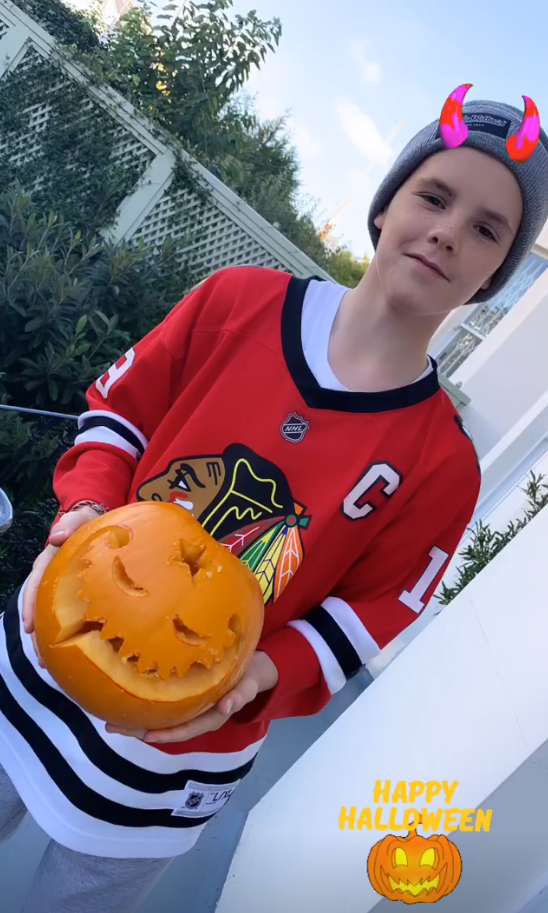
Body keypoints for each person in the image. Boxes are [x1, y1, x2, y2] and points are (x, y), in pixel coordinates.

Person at [1, 93, 548, 913]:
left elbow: (369, 615)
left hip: (177, 751)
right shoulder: (237, 301)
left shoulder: (442, 467)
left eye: (486, 230)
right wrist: (81, 510)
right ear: (388, 202)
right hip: (44, 651)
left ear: (497, 276)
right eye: (434, 196)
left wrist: (261, 671)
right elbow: (117, 415)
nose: (447, 231)